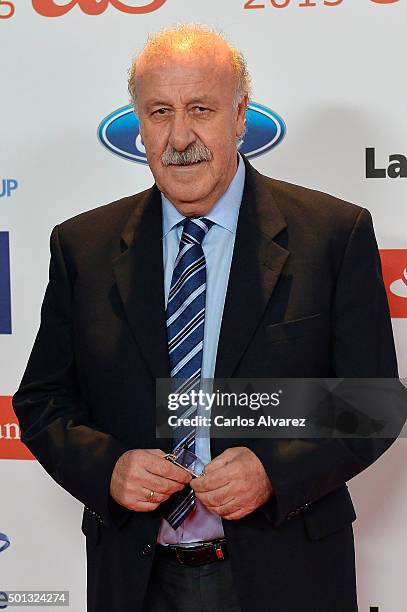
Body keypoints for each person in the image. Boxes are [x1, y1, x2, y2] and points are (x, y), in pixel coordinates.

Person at [13, 24, 400, 612]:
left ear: (240, 115)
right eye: (159, 111)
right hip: (136, 579)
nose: (179, 136)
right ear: (137, 125)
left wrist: (273, 470)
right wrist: (109, 468)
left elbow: (372, 402)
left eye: (201, 108)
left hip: (287, 573)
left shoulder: (332, 235)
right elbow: (43, 401)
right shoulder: (82, 247)